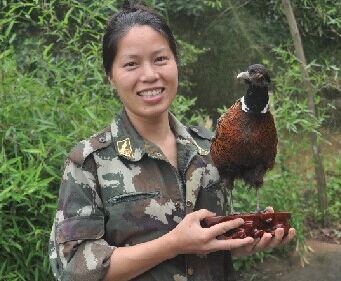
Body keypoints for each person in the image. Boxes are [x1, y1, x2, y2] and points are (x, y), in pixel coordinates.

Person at [48, 1, 296, 280]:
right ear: (111, 76)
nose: (150, 75)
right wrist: (173, 245)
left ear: (176, 63)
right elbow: (72, 269)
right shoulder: (89, 161)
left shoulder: (211, 148)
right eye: (131, 64)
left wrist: (241, 239)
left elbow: (212, 238)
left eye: (160, 59)